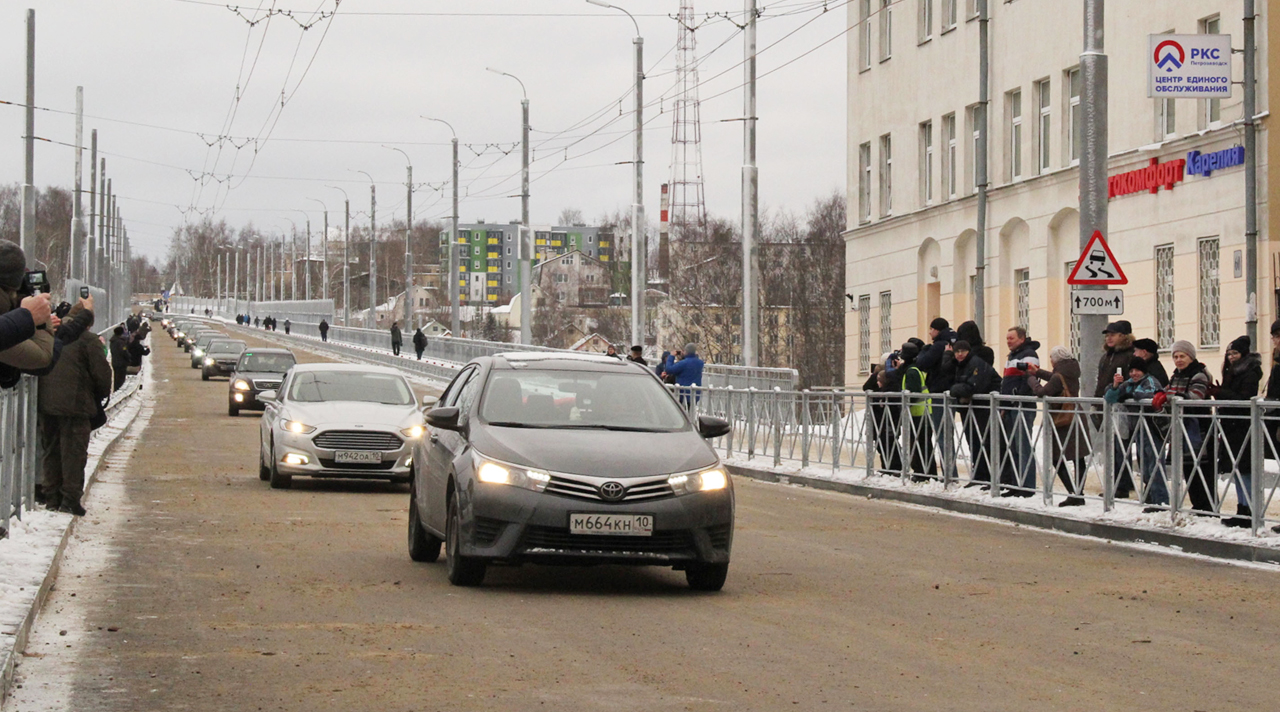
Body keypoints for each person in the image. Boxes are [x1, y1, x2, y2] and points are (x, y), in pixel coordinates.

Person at [36, 302, 111, 516]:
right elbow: (102, 377)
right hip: (76, 406)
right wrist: (99, 395)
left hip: (47, 405)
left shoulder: (51, 335)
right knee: (73, 454)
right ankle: (70, 500)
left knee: (51, 451)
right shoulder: (88, 340)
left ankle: (52, 497)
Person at [1104, 357, 1167, 510]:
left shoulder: (1150, 380)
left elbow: (1152, 394)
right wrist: (1115, 386)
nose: (1134, 374)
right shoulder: (1129, 384)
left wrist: (1132, 396)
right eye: (1131, 371)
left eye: (1137, 370)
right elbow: (1110, 398)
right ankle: (1151, 496)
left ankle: (1161, 500)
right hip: (1138, 429)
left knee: (1155, 463)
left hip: (1152, 427)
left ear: (1143, 371)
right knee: (1144, 464)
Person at [1028, 346, 1089, 506]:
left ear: (1056, 359)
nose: (1050, 360)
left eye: (1051, 358)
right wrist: (1039, 372)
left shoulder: (1059, 375)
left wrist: (1032, 380)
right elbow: (1056, 378)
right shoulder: (1072, 369)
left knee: (1056, 457)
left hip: (1063, 420)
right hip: (1077, 416)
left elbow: (1042, 392)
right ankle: (1078, 493)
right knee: (1078, 457)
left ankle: (1074, 493)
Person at [1164, 340, 1216, 515]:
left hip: (1200, 427)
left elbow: (1196, 396)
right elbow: (1167, 392)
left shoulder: (1199, 375)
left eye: (1182, 356)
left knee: (1203, 467)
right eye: (1176, 356)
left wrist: (1173, 396)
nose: (1179, 360)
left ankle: (1208, 506)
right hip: (1182, 427)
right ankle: (1197, 504)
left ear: (1191, 356)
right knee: (1188, 467)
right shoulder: (1176, 375)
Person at [1215, 335, 1261, 527]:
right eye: (1229, 353)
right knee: (1237, 468)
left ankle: (1249, 510)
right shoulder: (1230, 371)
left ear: (1243, 354)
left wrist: (1220, 393)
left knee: (1245, 468)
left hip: (1243, 425)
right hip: (1230, 424)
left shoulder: (1251, 371)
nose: (1231, 357)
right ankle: (1242, 509)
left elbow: (1243, 398)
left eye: (1235, 353)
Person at [949, 339, 1000, 487]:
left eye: (962, 351)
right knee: (973, 442)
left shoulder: (975, 363)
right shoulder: (960, 365)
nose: (959, 354)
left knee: (985, 441)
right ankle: (979, 475)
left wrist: (955, 390)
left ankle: (990, 476)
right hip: (971, 409)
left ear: (968, 351)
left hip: (984, 408)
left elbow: (973, 387)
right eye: (957, 351)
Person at [1095, 321, 1137, 498]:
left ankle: (1122, 486)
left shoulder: (1129, 356)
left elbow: (1132, 379)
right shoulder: (1106, 356)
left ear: (1124, 336)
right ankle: (1116, 483)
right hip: (1104, 404)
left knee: (1121, 448)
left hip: (1121, 407)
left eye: (1113, 334)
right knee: (1111, 447)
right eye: (1107, 335)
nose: (1109, 337)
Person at [999, 327, 1040, 496]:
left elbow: (1029, 378)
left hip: (1021, 406)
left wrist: (1017, 397)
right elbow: (1007, 381)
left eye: (1012, 338)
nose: (1008, 341)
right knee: (1013, 447)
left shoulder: (1029, 354)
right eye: (1007, 338)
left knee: (1022, 446)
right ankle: (1016, 484)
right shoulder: (1012, 356)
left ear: (1021, 339)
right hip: (1011, 406)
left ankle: (1027, 486)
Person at [894, 341, 935, 481]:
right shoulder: (915, 368)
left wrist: (905, 404)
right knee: (922, 444)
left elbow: (914, 392)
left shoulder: (912, 371)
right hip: (920, 412)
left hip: (918, 413)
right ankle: (924, 472)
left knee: (920, 444)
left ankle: (922, 473)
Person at [109, 326, 130, 391]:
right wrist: (128, 357)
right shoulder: (121, 342)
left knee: (116, 378)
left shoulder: (112, 341)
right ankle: (119, 391)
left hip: (115, 361)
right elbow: (124, 351)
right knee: (121, 379)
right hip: (121, 362)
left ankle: (116, 390)